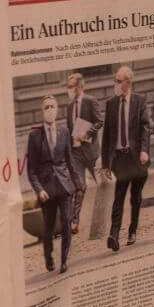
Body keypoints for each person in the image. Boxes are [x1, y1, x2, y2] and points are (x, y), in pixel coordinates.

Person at [101, 66, 150, 251]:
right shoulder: (111, 104)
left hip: (136, 158)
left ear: (128, 83)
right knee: (118, 197)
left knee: (135, 197)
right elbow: (106, 135)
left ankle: (132, 230)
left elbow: (145, 128)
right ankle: (113, 235)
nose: (115, 84)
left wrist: (144, 150)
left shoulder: (139, 101)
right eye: (115, 80)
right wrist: (105, 164)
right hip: (120, 159)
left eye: (118, 81)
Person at [25, 96, 76, 274]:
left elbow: (70, 160)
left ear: (57, 109)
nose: (50, 110)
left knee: (67, 222)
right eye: (46, 107)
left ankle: (64, 260)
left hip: (64, 186)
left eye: (52, 107)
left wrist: (77, 183)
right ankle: (48, 257)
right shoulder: (34, 136)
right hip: (47, 190)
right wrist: (39, 190)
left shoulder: (64, 131)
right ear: (42, 111)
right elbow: (31, 170)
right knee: (48, 226)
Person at [64, 73, 103, 235]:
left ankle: (105, 216)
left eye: (71, 87)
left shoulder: (90, 101)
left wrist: (86, 133)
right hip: (76, 154)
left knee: (103, 184)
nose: (68, 90)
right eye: (68, 87)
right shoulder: (69, 107)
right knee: (79, 187)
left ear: (79, 87)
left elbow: (99, 121)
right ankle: (75, 221)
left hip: (91, 152)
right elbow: (69, 129)